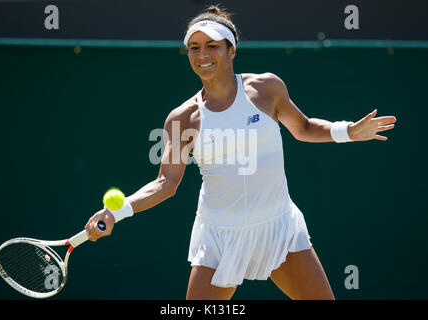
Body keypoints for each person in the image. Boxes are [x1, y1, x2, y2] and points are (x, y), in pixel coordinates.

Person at [85, 5, 397, 300]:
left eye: (212, 46)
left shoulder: (266, 89)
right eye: (194, 48)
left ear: (231, 50)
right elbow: (165, 183)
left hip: (278, 227)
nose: (202, 55)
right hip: (219, 238)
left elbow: (302, 128)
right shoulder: (182, 118)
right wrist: (117, 211)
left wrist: (349, 132)